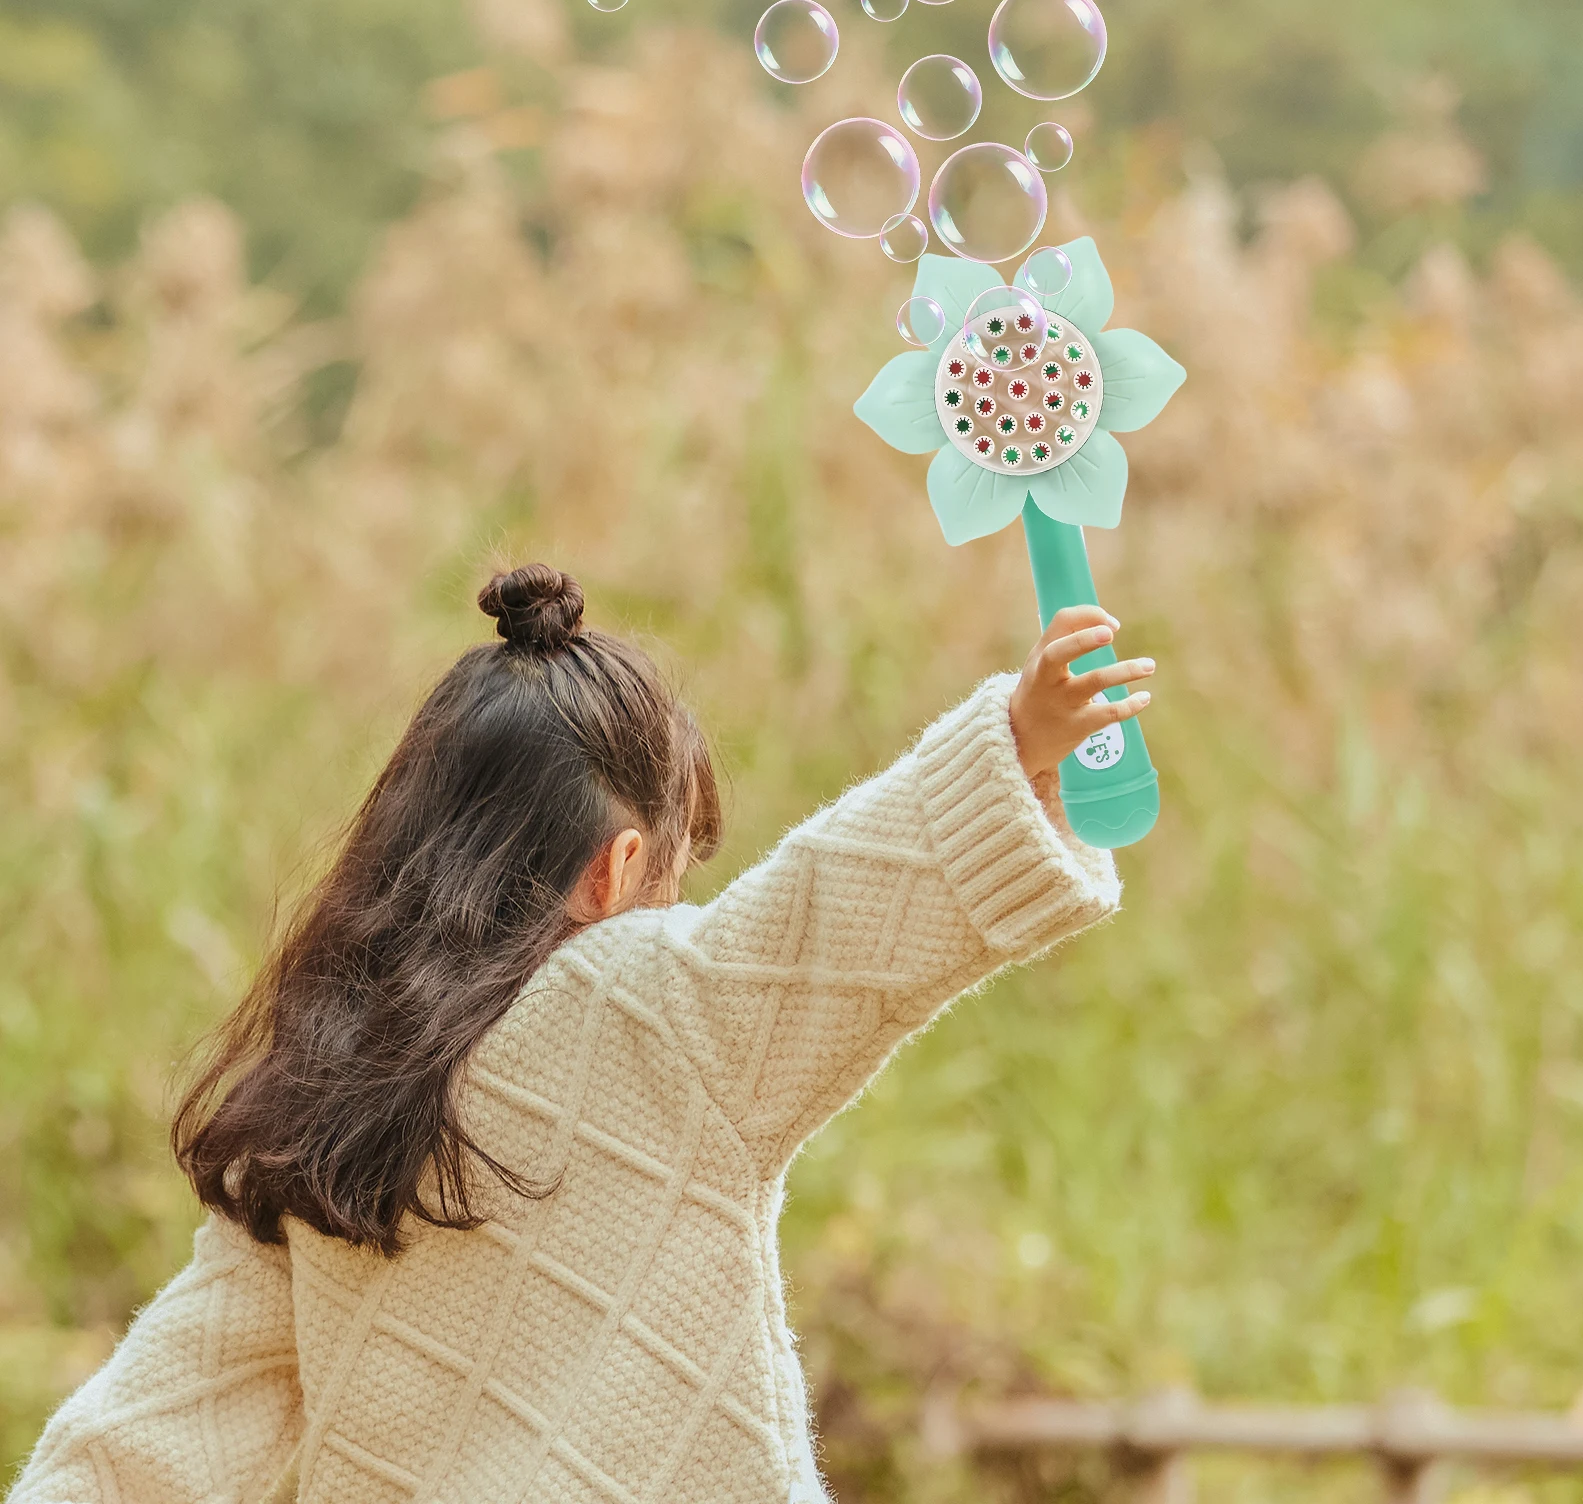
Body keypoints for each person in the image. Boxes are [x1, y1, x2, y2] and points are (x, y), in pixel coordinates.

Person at [9, 561, 1154, 1504]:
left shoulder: (324, 1106)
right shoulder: (652, 1003)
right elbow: (832, 913)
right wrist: (1018, 738)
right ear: (615, 871)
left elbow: (144, 1439)